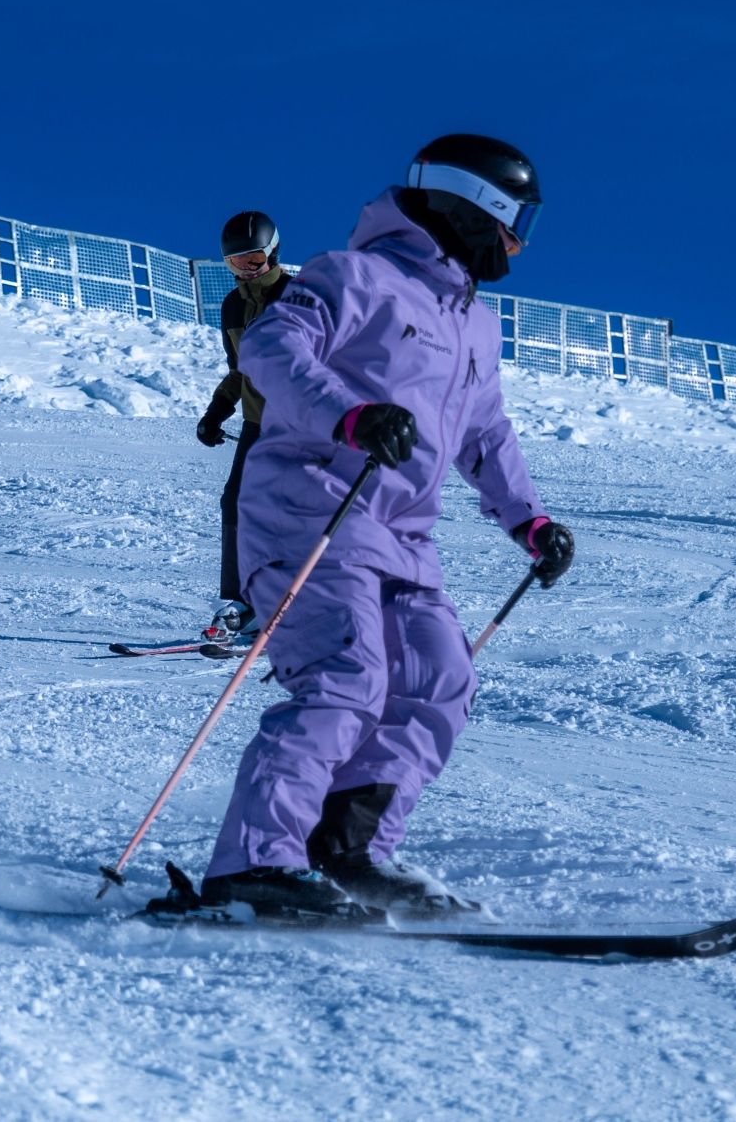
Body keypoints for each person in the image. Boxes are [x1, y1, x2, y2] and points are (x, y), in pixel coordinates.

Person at [194, 134, 576, 916]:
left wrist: (528, 521)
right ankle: (252, 865)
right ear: (474, 208)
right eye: (514, 222)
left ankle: (348, 849)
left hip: (402, 533)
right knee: (346, 677)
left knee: (442, 679)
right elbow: (271, 345)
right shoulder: (353, 275)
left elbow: (486, 433)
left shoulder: (476, 324)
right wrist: (350, 414)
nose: (517, 243)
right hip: (313, 507)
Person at [196, 210, 292, 640]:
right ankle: (239, 604)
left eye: (253, 259)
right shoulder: (233, 306)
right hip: (257, 425)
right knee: (235, 504)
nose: (246, 269)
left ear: (272, 253)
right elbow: (239, 369)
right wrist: (217, 411)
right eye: (236, 262)